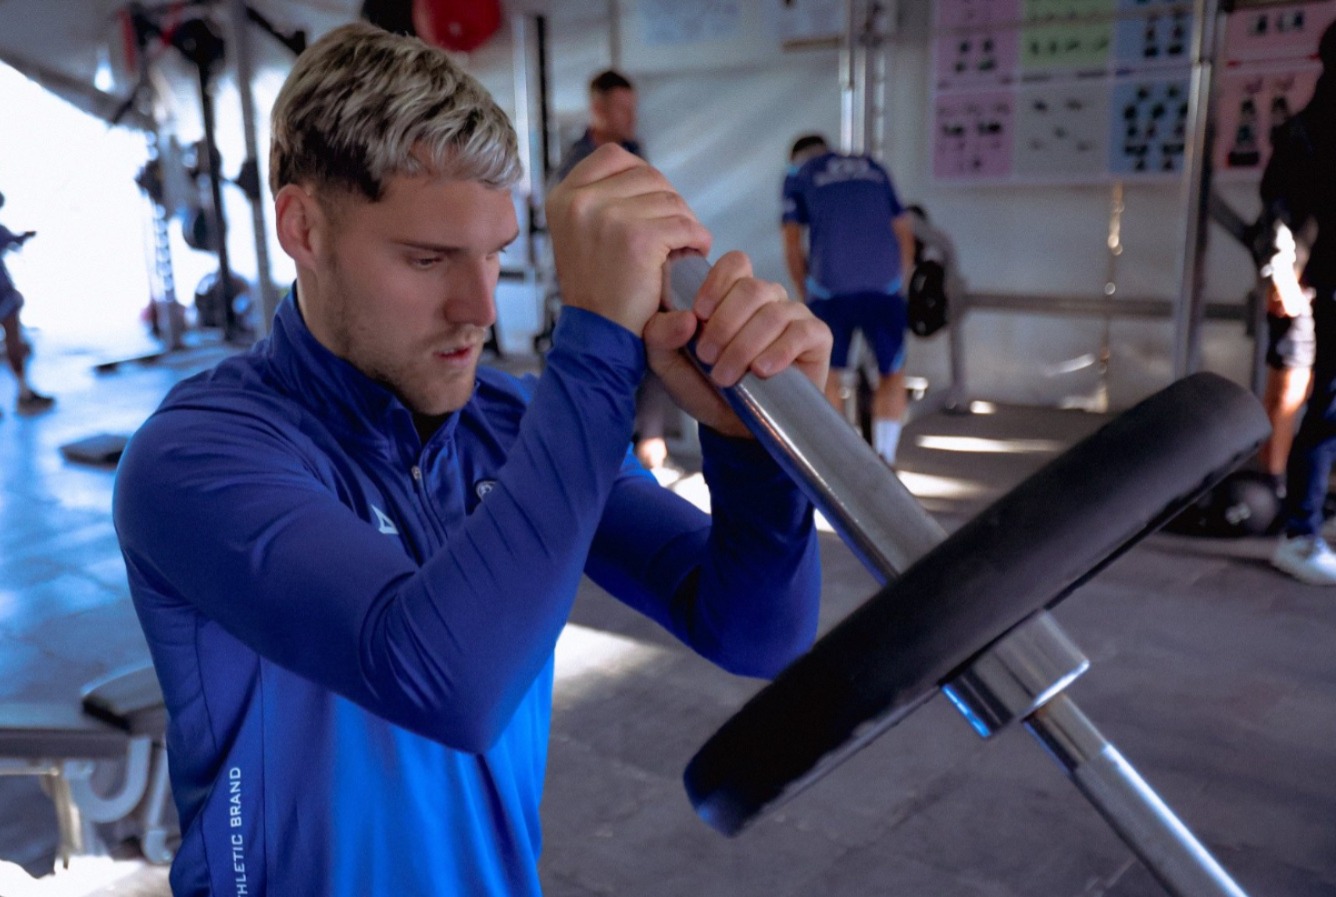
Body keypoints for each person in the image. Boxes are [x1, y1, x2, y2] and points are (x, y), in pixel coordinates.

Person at [113, 22, 829, 896]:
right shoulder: (198, 455)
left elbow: (756, 631)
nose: (478, 307)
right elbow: (444, 681)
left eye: (493, 255)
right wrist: (597, 350)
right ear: (303, 227)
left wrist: (747, 445)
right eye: (427, 258)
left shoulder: (514, 424)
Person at [551, 69, 675, 474]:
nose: (630, 117)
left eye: (632, 109)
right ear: (597, 109)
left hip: (639, 275)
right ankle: (605, 457)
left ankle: (651, 442)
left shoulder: (636, 151)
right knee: (603, 368)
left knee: (659, 347)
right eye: (622, 109)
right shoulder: (575, 165)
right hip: (595, 288)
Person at [782, 133, 916, 466]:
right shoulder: (874, 167)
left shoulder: (799, 174)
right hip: (883, 288)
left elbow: (792, 241)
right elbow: (903, 231)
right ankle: (886, 455)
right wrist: (898, 281)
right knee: (892, 371)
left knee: (829, 372)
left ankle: (840, 460)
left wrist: (806, 292)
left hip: (831, 290)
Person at [1265, 20, 1336, 584]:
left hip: (1317, 281)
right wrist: (1282, 274)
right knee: (1312, 402)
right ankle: (1295, 527)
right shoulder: (1309, 131)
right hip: (1317, 283)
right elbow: (1279, 212)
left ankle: (1299, 518)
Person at [0, 193, 54, 414]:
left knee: (15, 343)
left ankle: (24, 393)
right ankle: (24, 394)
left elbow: (10, 241)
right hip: (3, 295)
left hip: (4, 296)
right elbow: (11, 240)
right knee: (14, 343)